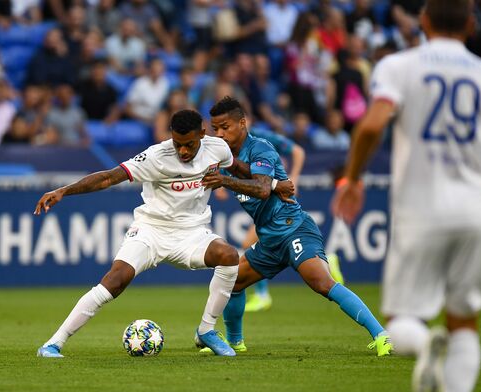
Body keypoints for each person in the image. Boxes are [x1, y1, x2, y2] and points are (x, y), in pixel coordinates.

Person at [331, 1, 481, 392]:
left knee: (403, 321)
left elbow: (373, 125)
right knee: (465, 324)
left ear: (423, 21)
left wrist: (353, 178)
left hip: (420, 207)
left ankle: (425, 346)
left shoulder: (399, 67)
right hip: (477, 210)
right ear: (469, 24)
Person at [35, 110, 244, 357]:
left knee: (229, 256)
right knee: (115, 280)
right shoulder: (157, 156)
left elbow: (239, 169)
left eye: (189, 145)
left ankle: (206, 330)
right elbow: (108, 178)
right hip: (151, 231)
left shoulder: (218, 148)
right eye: (178, 144)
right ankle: (53, 344)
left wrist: (270, 183)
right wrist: (63, 191)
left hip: (192, 234)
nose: (183, 151)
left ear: (202, 133)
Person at [200, 96, 392, 357]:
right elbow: (246, 174)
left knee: (322, 283)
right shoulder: (226, 156)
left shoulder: (261, 148)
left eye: (226, 127)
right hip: (269, 238)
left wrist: (224, 180)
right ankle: (235, 343)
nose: (220, 134)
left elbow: (262, 188)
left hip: (293, 228)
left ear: (242, 123)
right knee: (232, 281)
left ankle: (381, 335)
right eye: (216, 129)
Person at [241, 125, 345, 312]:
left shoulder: (261, 135)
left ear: (242, 120)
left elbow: (298, 151)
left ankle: (262, 296)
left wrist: (294, 177)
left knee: (251, 240)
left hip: (280, 191)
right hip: (269, 193)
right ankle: (327, 259)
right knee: (251, 240)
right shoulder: (236, 145)